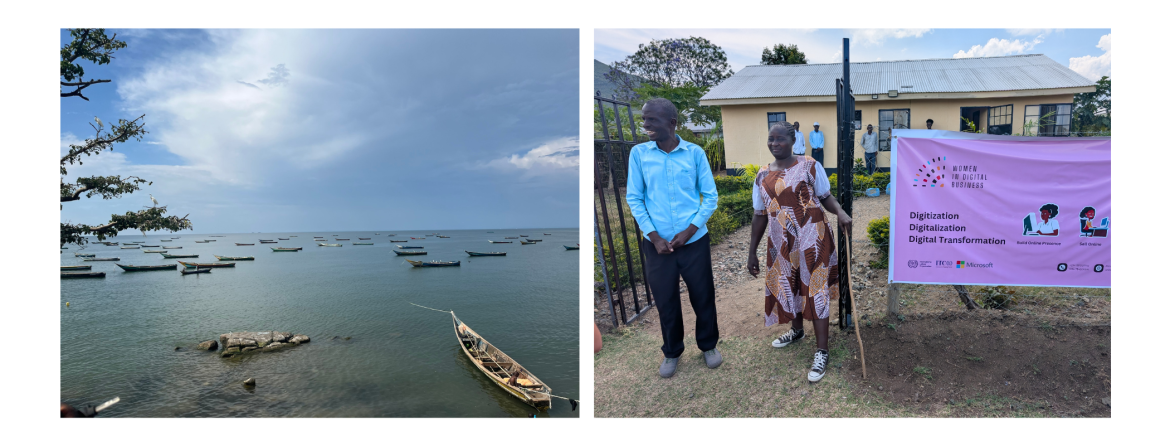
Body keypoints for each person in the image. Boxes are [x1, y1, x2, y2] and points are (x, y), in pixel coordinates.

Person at [746, 121, 853, 383]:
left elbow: (825, 196)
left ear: (793, 141)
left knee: (815, 291)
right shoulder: (762, 175)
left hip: (812, 236)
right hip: (781, 240)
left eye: (780, 139)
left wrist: (839, 212)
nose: (774, 144)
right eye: (770, 139)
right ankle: (797, 331)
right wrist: (752, 252)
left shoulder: (809, 165)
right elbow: (759, 215)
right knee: (790, 286)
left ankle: (822, 351)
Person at [626, 98, 721, 379]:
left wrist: (689, 231)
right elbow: (634, 197)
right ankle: (671, 351)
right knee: (666, 300)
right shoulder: (639, 154)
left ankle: (708, 345)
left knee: (703, 296)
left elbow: (710, 197)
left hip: (693, 242)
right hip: (657, 246)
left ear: (671, 123)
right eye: (644, 119)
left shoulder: (694, 154)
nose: (646, 125)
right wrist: (654, 237)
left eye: (652, 120)